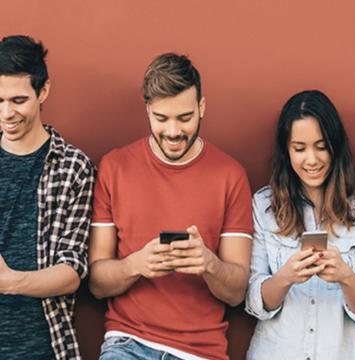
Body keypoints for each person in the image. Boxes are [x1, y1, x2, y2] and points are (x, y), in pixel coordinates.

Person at [89, 53, 253, 360]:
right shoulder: (115, 167)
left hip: (200, 352)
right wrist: (135, 264)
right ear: (148, 110)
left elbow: (236, 292)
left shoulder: (230, 176)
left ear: (202, 107)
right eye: (161, 118)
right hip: (127, 343)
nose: (174, 132)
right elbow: (97, 284)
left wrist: (209, 264)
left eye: (185, 118)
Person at [245, 90, 355, 360]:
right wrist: (287, 276)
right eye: (299, 148)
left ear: (335, 145)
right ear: (286, 151)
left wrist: (345, 276)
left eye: (321, 147)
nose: (311, 160)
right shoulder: (264, 205)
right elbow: (255, 302)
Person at [0, 35, 95, 360]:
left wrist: (9, 282)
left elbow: (71, 272)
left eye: (18, 100)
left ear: (43, 92)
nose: (7, 113)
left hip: (43, 345)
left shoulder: (74, 167)